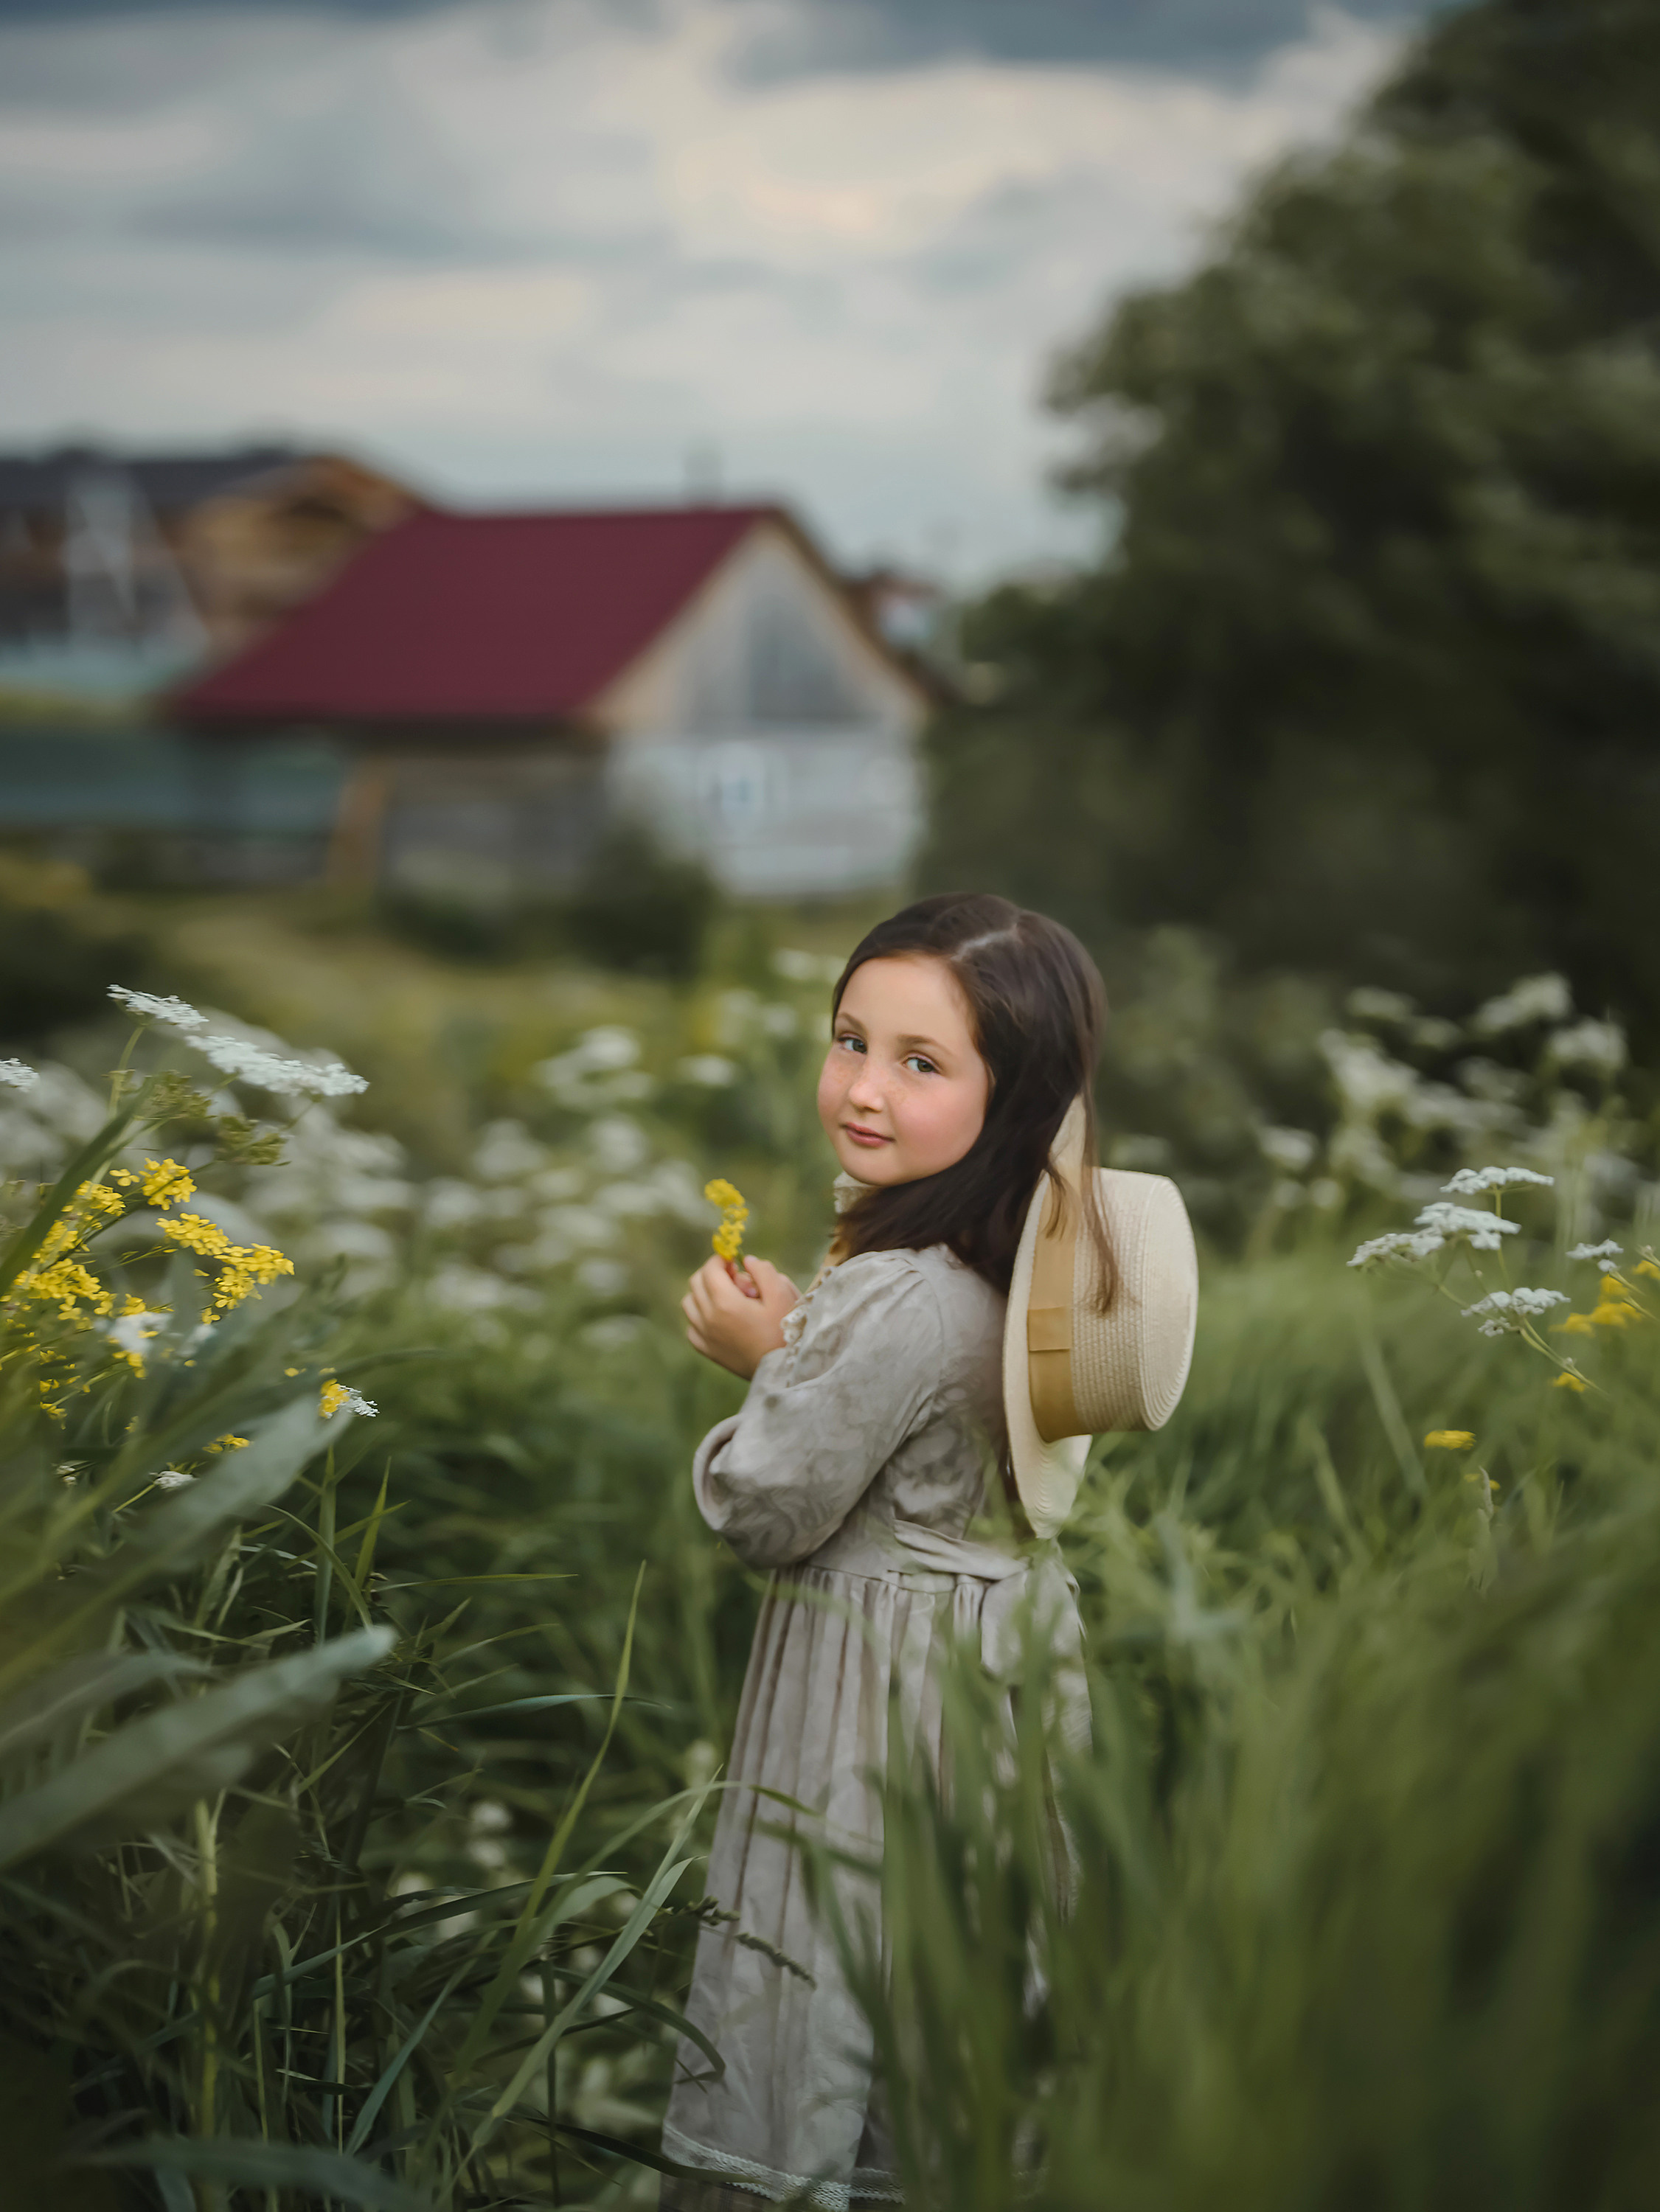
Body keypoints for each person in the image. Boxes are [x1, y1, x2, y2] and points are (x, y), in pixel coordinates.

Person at [658, 891, 1118, 2212]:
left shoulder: (899, 1290)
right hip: (991, 1677)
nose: (863, 1089)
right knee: (944, 1972)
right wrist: (818, 1348)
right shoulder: (1013, 1270)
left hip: (874, 1690)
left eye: (922, 1064)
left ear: (1011, 1093)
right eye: (850, 1040)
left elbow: (771, 1504)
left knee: (820, 1958)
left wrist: (768, 1368)